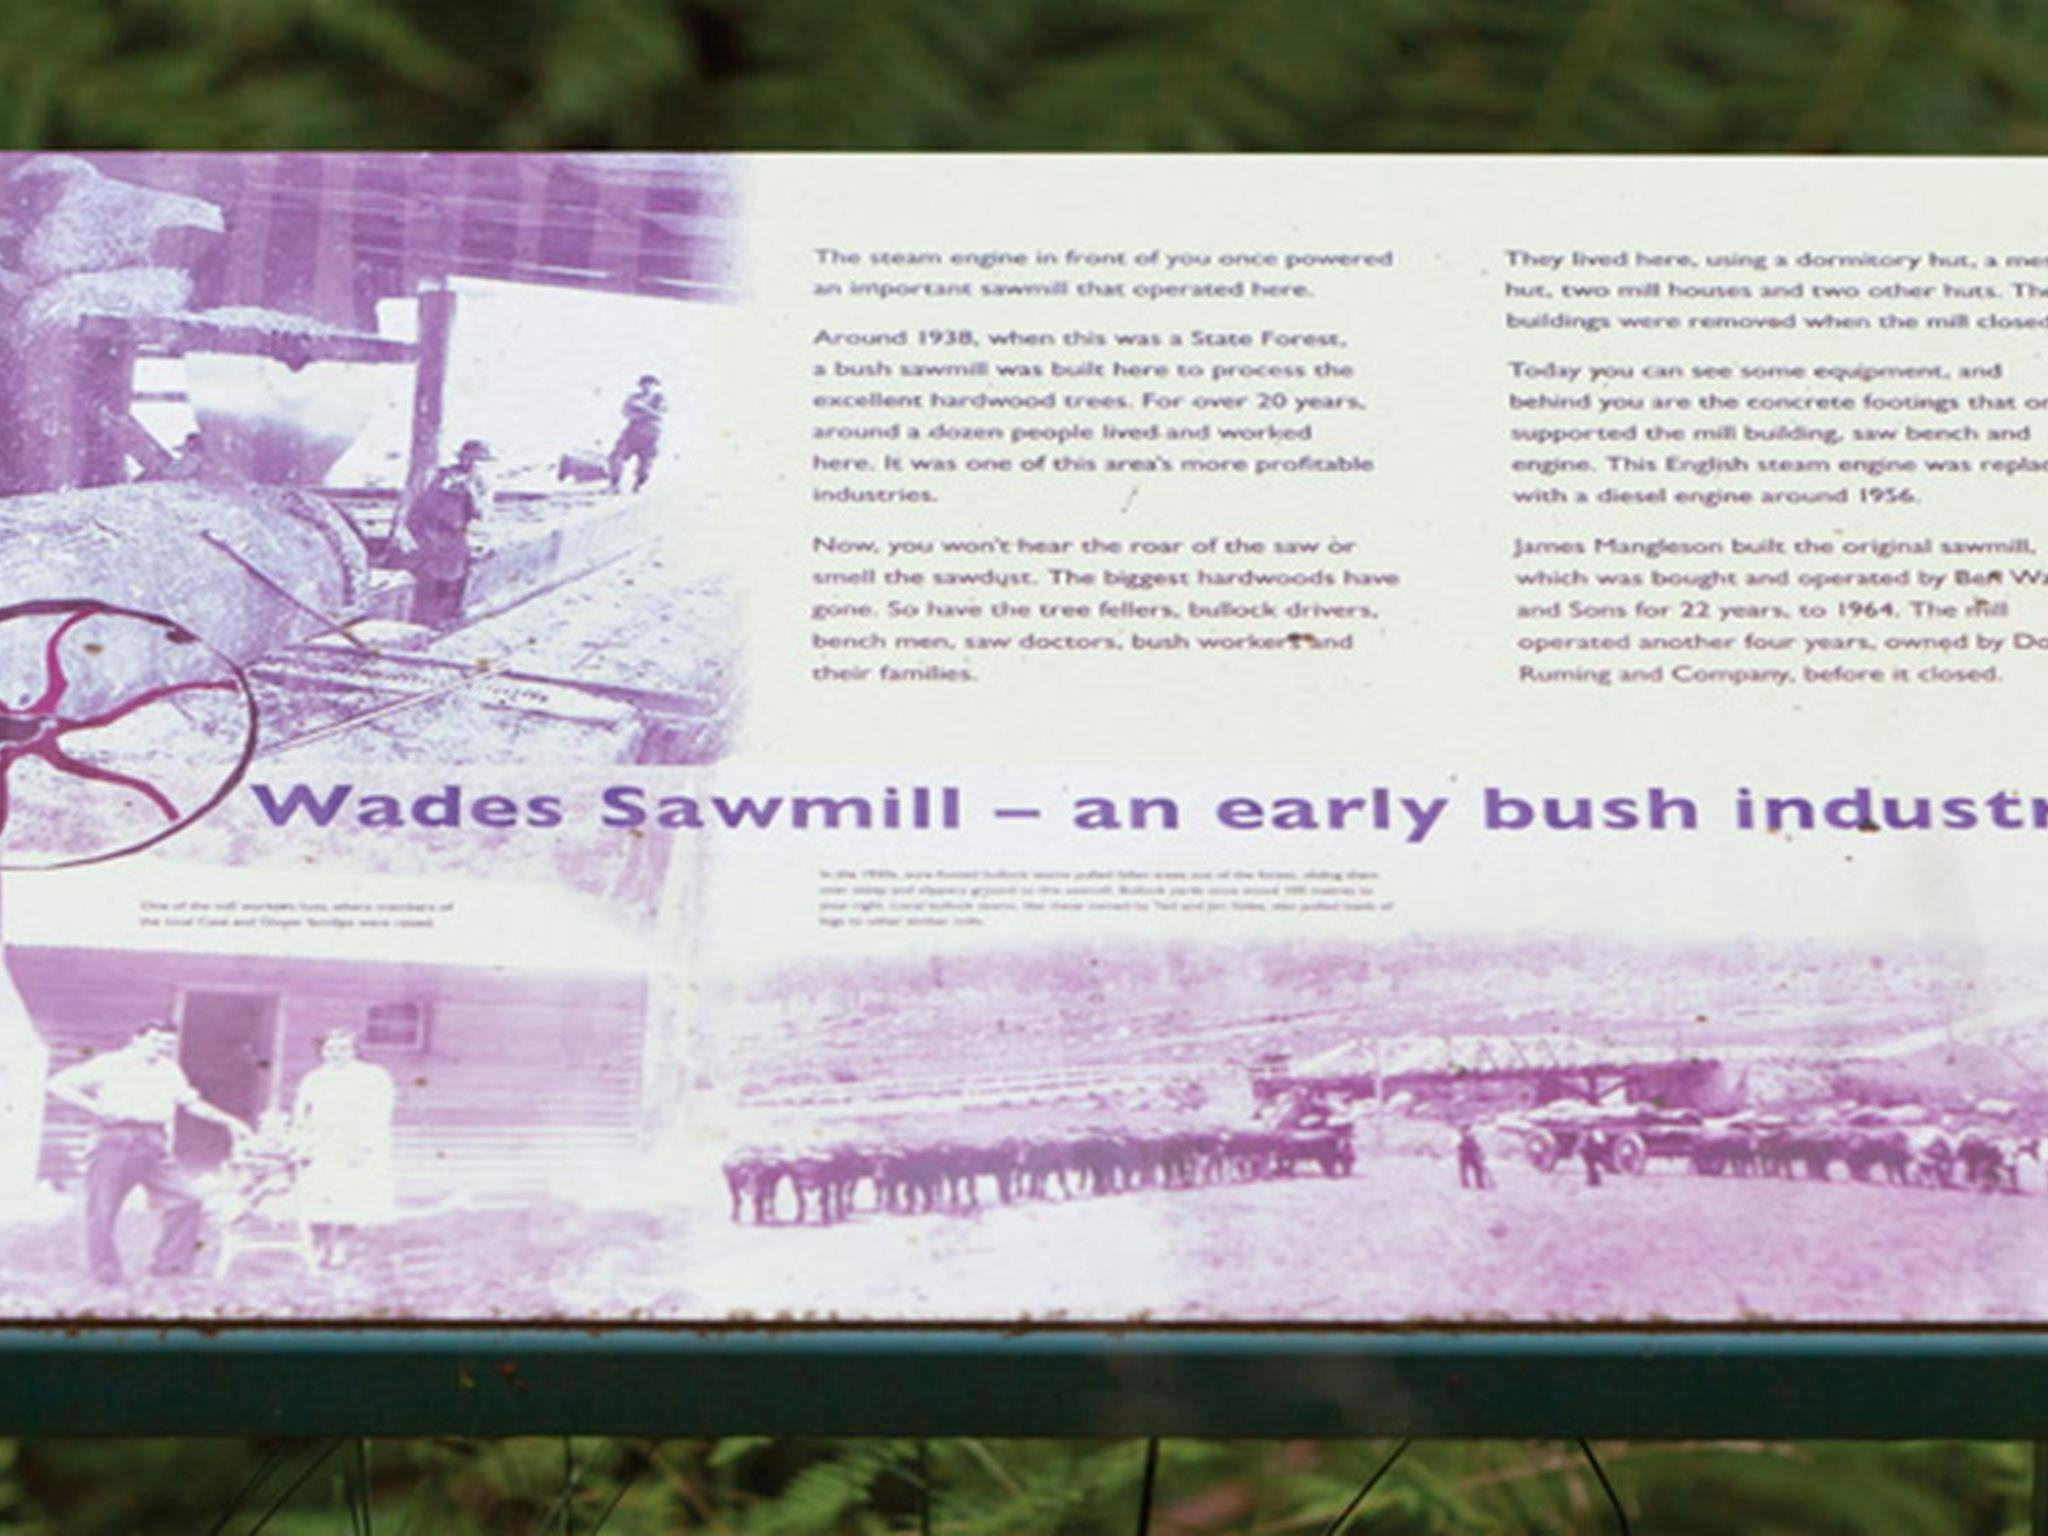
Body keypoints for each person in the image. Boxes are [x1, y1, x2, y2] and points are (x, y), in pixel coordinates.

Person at [44, 1019, 252, 1285]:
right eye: (156, 1041)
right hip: (116, 1141)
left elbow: (192, 1104)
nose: (161, 1047)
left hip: (154, 1142)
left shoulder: (169, 1070)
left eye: (168, 1043)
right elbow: (58, 1083)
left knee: (187, 1199)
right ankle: (106, 1272)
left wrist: (231, 1122)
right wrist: (94, 1106)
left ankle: (170, 1267)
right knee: (103, 1208)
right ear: (137, 1039)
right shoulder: (111, 1064)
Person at [291, 1030, 396, 1269]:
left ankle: (340, 1249)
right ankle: (319, 1246)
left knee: (349, 1198)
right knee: (319, 1197)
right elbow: (301, 1114)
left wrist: (364, 1147)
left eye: (343, 1048)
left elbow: (380, 1114)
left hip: (354, 1143)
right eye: (330, 1048)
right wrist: (302, 1142)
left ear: (355, 1051)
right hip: (321, 1143)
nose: (335, 1054)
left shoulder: (372, 1076)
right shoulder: (314, 1079)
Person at [402, 438, 493, 627]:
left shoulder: (480, 481)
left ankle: (451, 613)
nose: (473, 463)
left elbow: (481, 512)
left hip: (460, 532)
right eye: (470, 458)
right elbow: (425, 502)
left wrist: (471, 495)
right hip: (437, 530)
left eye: (478, 460)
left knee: (458, 572)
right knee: (435, 572)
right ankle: (430, 615)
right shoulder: (443, 476)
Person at [608, 374, 666, 492]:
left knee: (645, 465)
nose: (647, 387)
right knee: (616, 457)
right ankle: (614, 484)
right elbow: (626, 412)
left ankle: (638, 485)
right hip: (632, 433)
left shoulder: (659, 399)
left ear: (655, 386)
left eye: (651, 384)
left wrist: (642, 408)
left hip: (651, 435)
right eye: (644, 384)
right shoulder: (634, 397)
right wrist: (644, 414)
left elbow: (660, 415)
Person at [1457, 1123, 1490, 1189]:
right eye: (1466, 1129)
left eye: (1468, 1129)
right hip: (1465, 1155)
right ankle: (1465, 1183)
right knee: (1465, 1170)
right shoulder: (1459, 1137)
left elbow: (1477, 1146)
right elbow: (1458, 1146)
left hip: (1472, 1155)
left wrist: (1481, 1154)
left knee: (1478, 1169)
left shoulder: (1472, 1136)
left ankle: (1479, 1183)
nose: (1467, 1131)